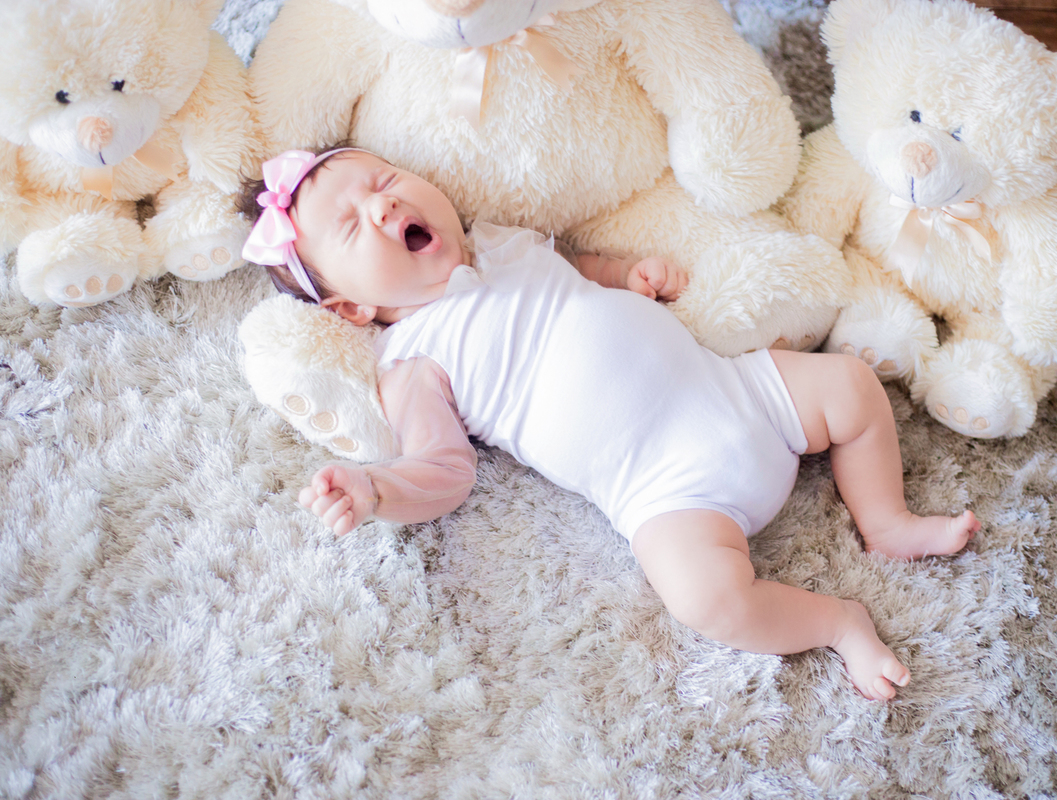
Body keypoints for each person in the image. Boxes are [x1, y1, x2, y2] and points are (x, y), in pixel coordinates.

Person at [239, 147, 980, 701]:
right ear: (351, 309)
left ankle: (886, 519)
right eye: (351, 225)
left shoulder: (502, 243)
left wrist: (626, 275)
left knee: (850, 385)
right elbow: (442, 469)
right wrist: (376, 490)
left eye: (384, 179)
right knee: (707, 601)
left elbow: (576, 268)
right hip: (667, 495)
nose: (381, 205)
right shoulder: (411, 361)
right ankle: (838, 623)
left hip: (741, 392)